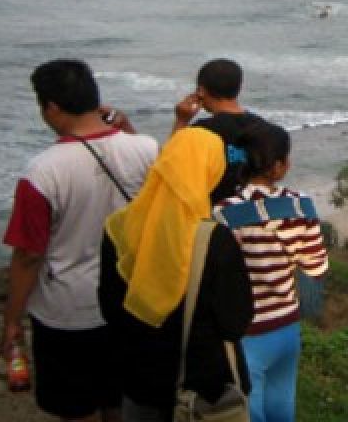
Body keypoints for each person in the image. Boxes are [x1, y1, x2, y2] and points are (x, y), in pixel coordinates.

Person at [1, 59, 158, 422]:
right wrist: (125, 125)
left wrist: (12, 321)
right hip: (130, 301)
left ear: (52, 108)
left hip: (68, 312)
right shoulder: (146, 149)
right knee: (116, 400)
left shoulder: (42, 172)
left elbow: (27, 256)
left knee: (75, 407)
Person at [99, 127, 254, 422]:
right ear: (212, 171)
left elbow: (110, 308)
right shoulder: (215, 240)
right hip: (202, 391)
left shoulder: (119, 228)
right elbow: (235, 323)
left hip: (139, 378)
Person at [217, 123, 329, 422]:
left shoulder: (224, 213)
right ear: (279, 167)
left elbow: (220, 277)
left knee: (250, 411)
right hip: (288, 328)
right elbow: (316, 267)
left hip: (249, 333)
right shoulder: (302, 206)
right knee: (283, 407)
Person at [172, 58, 264, 199]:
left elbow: (174, 166)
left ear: (200, 91)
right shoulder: (262, 126)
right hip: (252, 208)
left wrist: (181, 121)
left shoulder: (202, 130)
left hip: (214, 213)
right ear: (238, 88)